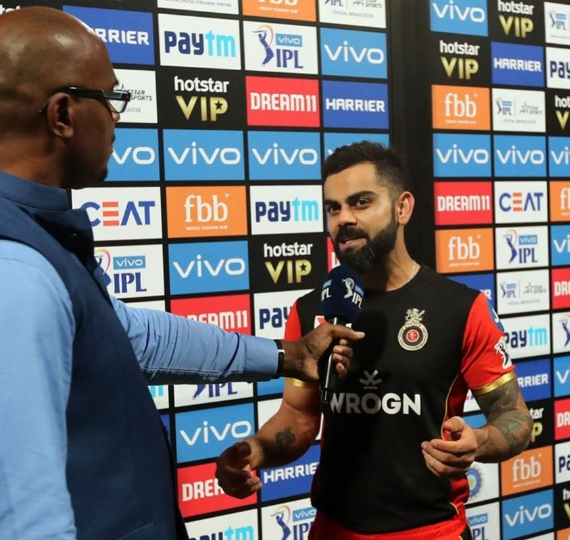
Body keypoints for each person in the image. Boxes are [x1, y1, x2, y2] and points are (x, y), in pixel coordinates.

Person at [0, 8, 364, 540]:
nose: (116, 117)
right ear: (62, 115)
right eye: (109, 99)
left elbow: (124, 337)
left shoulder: (3, 228)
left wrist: (285, 356)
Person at [215, 142, 532, 540]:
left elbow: (516, 418)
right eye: (333, 208)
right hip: (332, 531)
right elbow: (298, 416)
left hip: (432, 532)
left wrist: (479, 441)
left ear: (402, 208)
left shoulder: (463, 308)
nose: (344, 219)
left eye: (361, 202)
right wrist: (256, 451)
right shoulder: (311, 309)